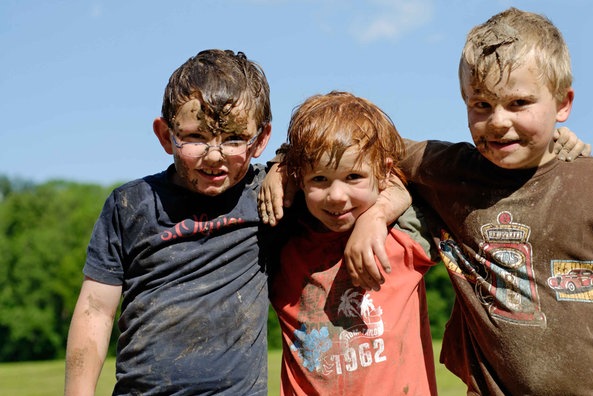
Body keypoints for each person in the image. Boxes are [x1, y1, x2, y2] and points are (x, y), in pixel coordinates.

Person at [395, 8, 593, 395]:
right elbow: (361, 142)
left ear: (562, 103)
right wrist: (373, 207)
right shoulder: (449, 173)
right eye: (481, 105)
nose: (498, 121)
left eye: (519, 103)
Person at [64, 49, 274, 395]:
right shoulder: (130, 205)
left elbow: (379, 167)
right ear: (165, 135)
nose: (215, 155)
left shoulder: (267, 196)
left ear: (260, 139)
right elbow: (95, 311)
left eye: (234, 138)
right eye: (195, 137)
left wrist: (388, 204)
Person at [269, 91, 439, 395]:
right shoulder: (280, 241)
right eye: (320, 179)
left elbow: (453, 177)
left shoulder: (408, 235)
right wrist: (277, 165)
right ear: (298, 178)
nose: (336, 195)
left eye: (353, 177)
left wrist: (376, 216)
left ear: (385, 173)